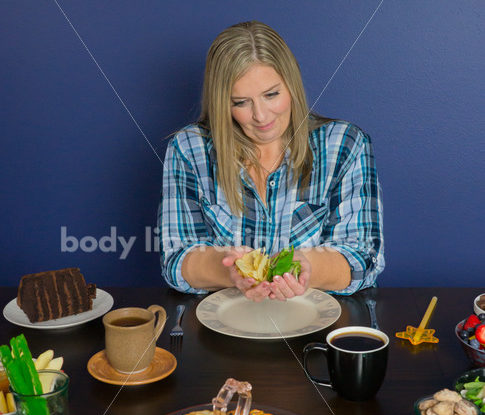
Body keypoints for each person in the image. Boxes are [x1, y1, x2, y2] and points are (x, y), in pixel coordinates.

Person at [158, 21, 384, 301]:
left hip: (314, 330)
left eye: (271, 95)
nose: (261, 116)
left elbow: (363, 257)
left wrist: (309, 268)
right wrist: (227, 270)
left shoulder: (345, 145)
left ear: (292, 85)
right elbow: (177, 259)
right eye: (240, 102)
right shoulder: (189, 148)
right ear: (221, 103)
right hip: (223, 330)